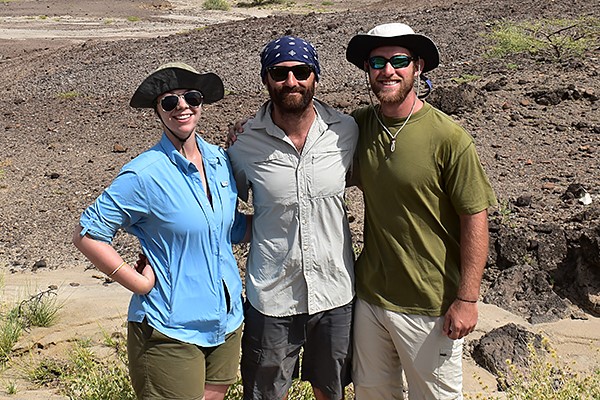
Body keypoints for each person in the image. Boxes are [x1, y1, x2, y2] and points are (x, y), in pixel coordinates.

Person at [73, 62, 249, 400]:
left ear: (201, 104)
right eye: (170, 101)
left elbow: (230, 227)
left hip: (224, 321)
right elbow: (88, 233)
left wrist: (292, 217)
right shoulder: (144, 174)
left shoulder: (219, 160)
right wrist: (136, 281)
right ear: (158, 110)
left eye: (191, 98)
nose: (182, 107)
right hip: (169, 328)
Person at [345, 23, 497, 399]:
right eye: (377, 62)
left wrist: (467, 299)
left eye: (399, 60)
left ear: (419, 67)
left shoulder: (449, 138)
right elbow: (305, 129)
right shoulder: (359, 126)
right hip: (370, 297)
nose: (388, 70)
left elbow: (474, 219)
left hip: (431, 304)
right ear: (367, 69)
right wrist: (252, 125)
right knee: (372, 394)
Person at [227, 36, 359, 400]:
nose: (291, 81)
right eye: (279, 72)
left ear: (315, 76)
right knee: (266, 393)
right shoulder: (243, 142)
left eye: (301, 71)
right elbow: (221, 210)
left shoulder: (345, 131)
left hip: (335, 291)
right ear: (265, 79)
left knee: (330, 390)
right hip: (272, 296)